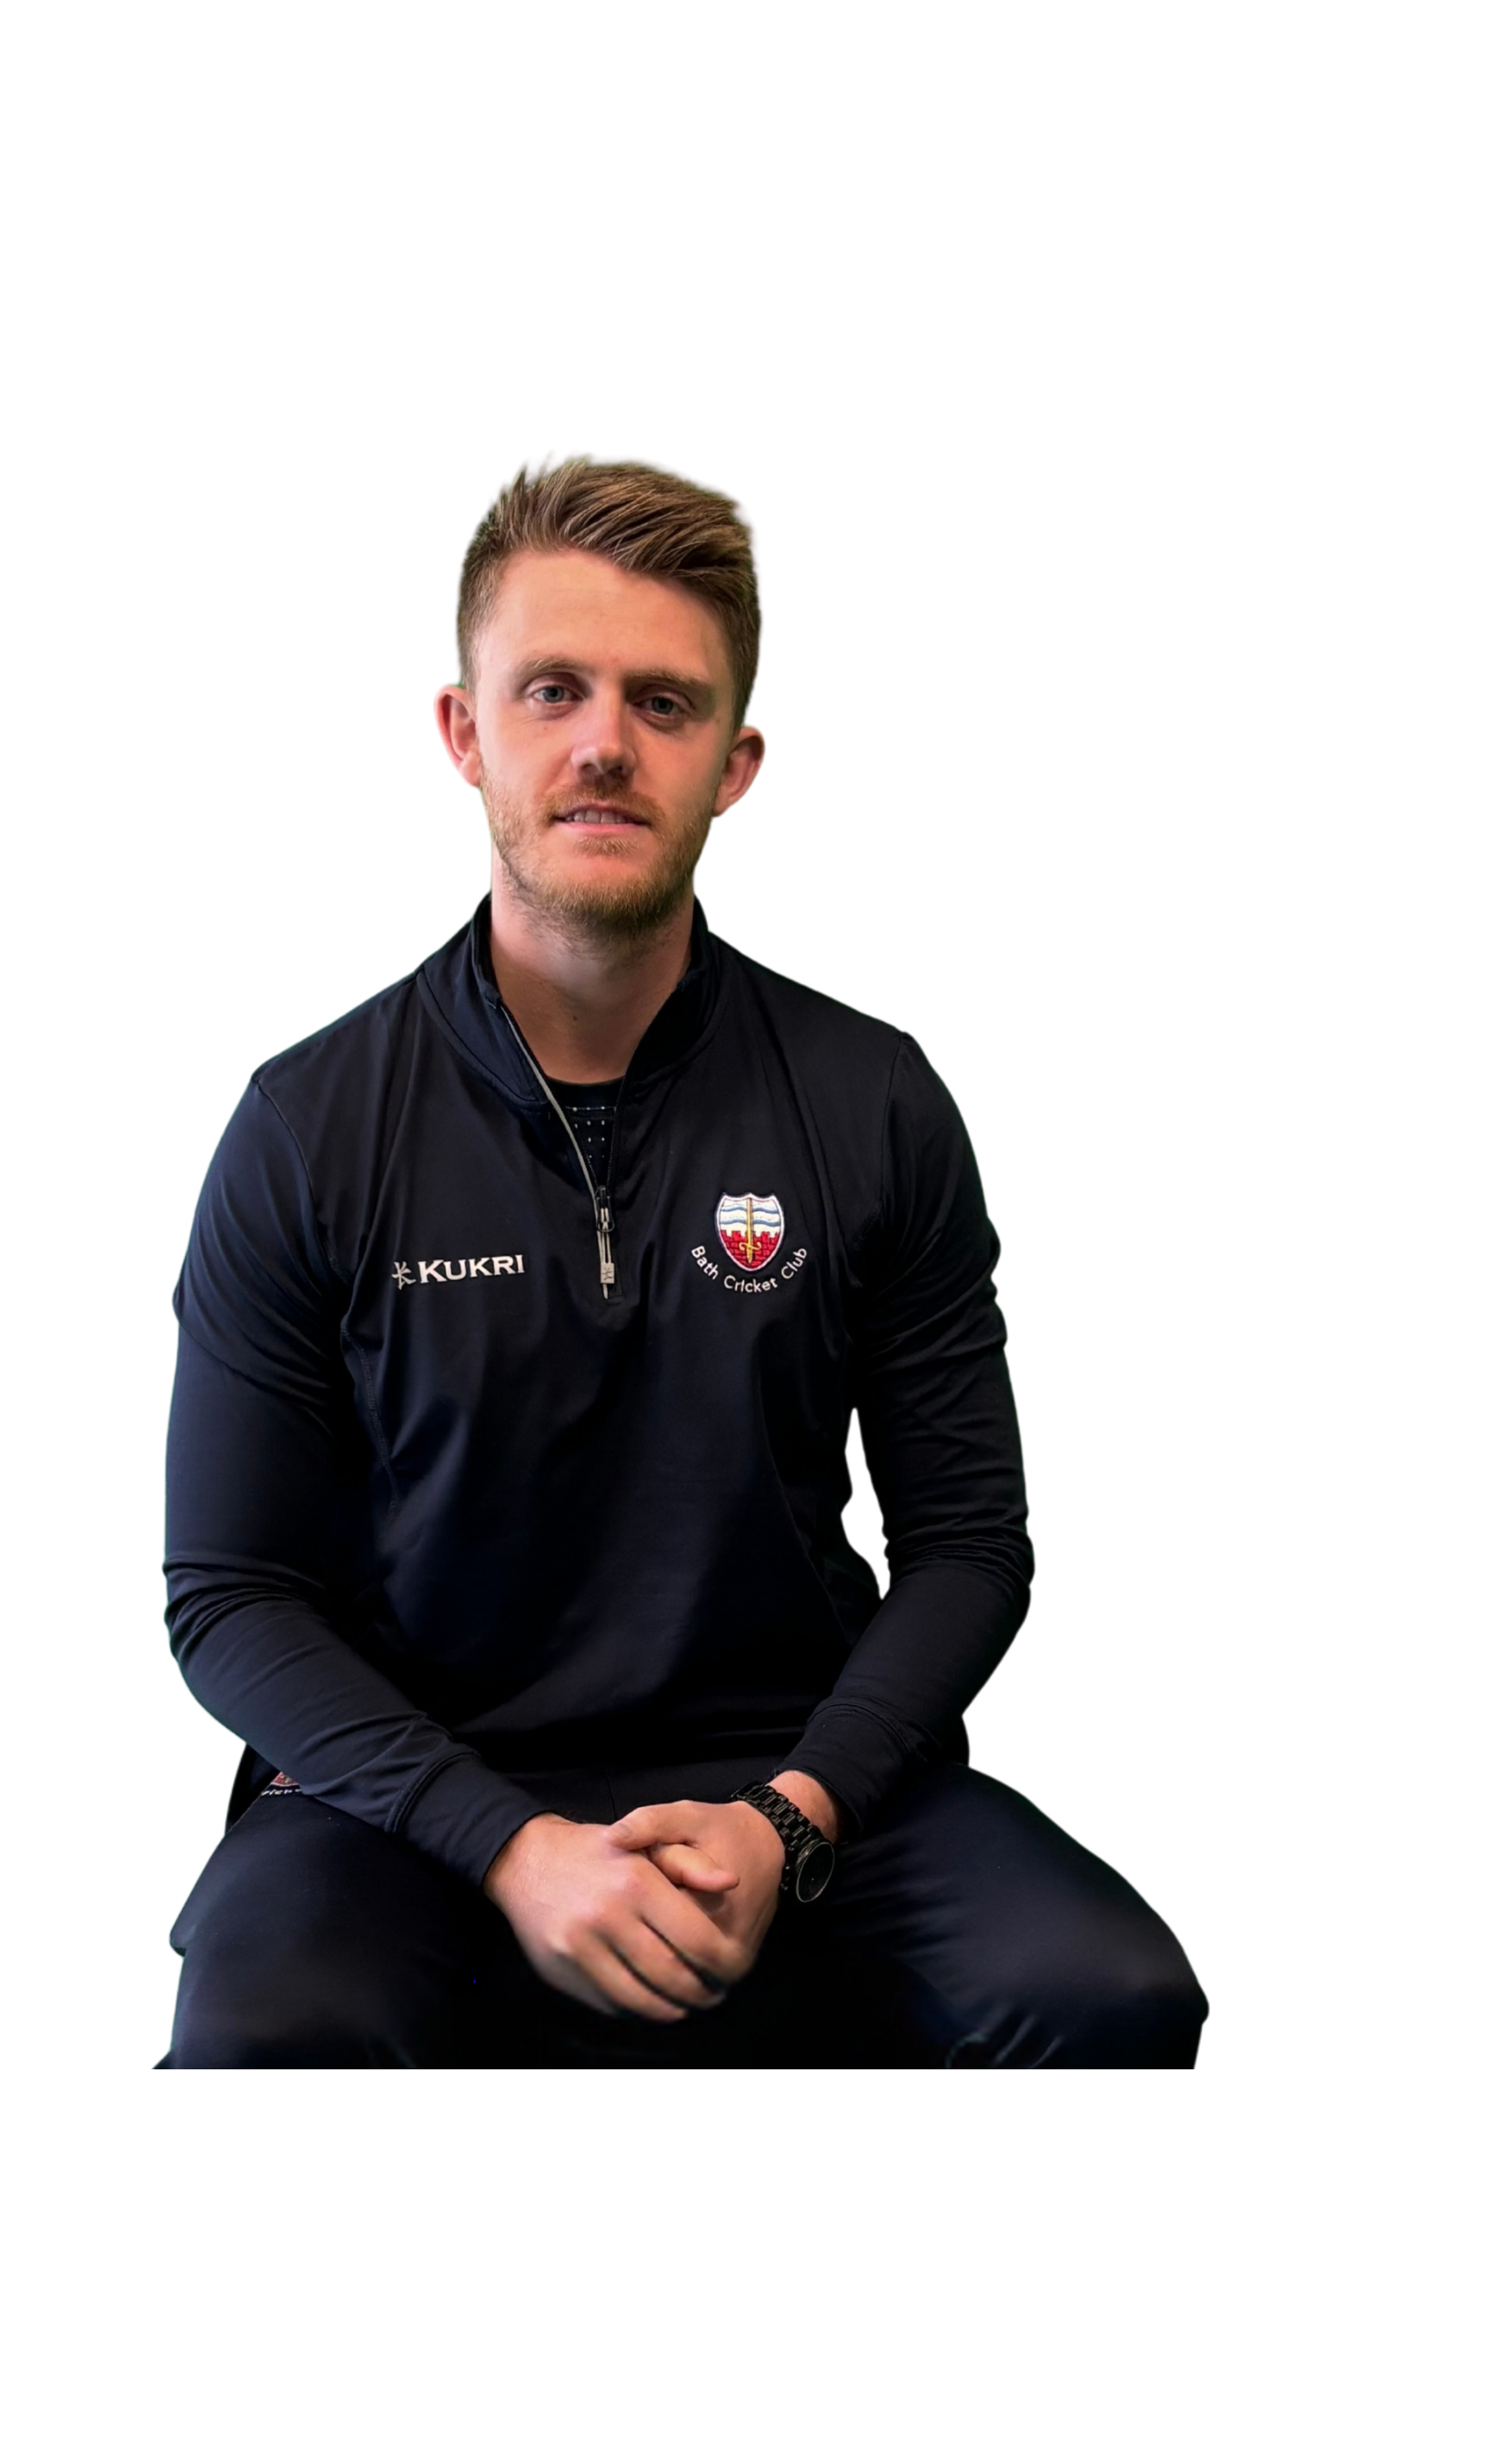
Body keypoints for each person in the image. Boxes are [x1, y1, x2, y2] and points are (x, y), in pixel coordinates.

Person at [154, 450, 1205, 2092]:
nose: (603, 745)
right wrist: (505, 1843)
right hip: (413, 1800)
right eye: (553, 689)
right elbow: (223, 1600)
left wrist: (794, 1818)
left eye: (664, 701)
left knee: (1113, 1999)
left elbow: (967, 1541)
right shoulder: (302, 1129)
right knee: (260, 2035)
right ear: (459, 736)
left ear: (740, 766)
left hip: (805, 1779)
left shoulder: (877, 1104)